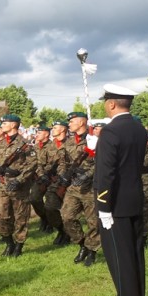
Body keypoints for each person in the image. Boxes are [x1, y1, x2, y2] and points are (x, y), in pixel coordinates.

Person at [94, 84, 147, 296]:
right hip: (135, 199)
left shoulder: (111, 132)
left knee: (119, 257)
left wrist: (103, 207)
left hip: (115, 204)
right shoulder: (139, 128)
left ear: (112, 103)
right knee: (135, 255)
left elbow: (106, 174)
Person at [0, 114, 37, 257]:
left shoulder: (25, 144)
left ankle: (19, 246)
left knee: (21, 217)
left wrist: (19, 179)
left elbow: (33, 164)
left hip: (19, 186)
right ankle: (9, 242)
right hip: (3, 185)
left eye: (5, 123)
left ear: (14, 125)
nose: (2, 125)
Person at [58, 112, 100, 266]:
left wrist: (88, 174)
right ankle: (82, 244)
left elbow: (102, 162)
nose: (69, 124)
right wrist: (63, 175)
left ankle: (92, 251)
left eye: (72, 121)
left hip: (91, 187)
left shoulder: (94, 140)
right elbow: (63, 161)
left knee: (93, 221)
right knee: (67, 216)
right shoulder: (68, 142)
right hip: (74, 186)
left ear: (82, 122)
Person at [30, 126, 52, 234]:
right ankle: (44, 218)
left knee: (49, 203)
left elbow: (53, 164)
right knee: (34, 199)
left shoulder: (52, 147)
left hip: (50, 177)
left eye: (39, 132)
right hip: (37, 178)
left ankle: (51, 223)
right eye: (36, 132)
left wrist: (44, 173)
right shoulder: (35, 147)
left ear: (46, 134)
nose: (37, 134)